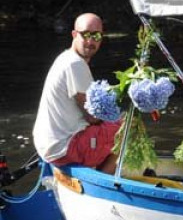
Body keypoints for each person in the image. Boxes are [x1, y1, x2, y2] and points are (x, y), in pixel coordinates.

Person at [33, 13, 121, 173]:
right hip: (64, 147)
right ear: (74, 34)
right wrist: (117, 117)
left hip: (50, 144)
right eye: (86, 34)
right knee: (128, 129)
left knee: (115, 125)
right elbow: (92, 116)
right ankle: (101, 185)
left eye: (96, 36)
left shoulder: (65, 57)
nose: (91, 41)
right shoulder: (75, 64)